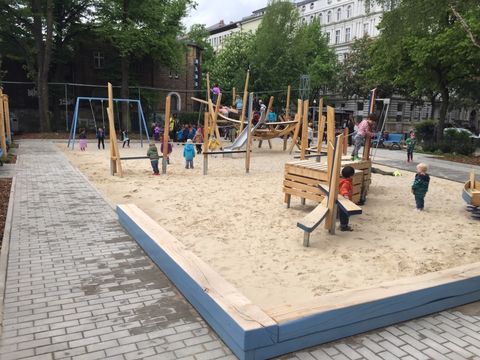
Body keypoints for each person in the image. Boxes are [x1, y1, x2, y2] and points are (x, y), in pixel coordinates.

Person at [339, 166, 355, 231]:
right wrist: (345, 194)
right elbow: (343, 189)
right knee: (345, 214)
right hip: (345, 201)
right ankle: (344, 226)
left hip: (344, 201)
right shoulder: (346, 182)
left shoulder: (345, 181)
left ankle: (343, 225)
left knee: (343, 214)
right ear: (350, 176)